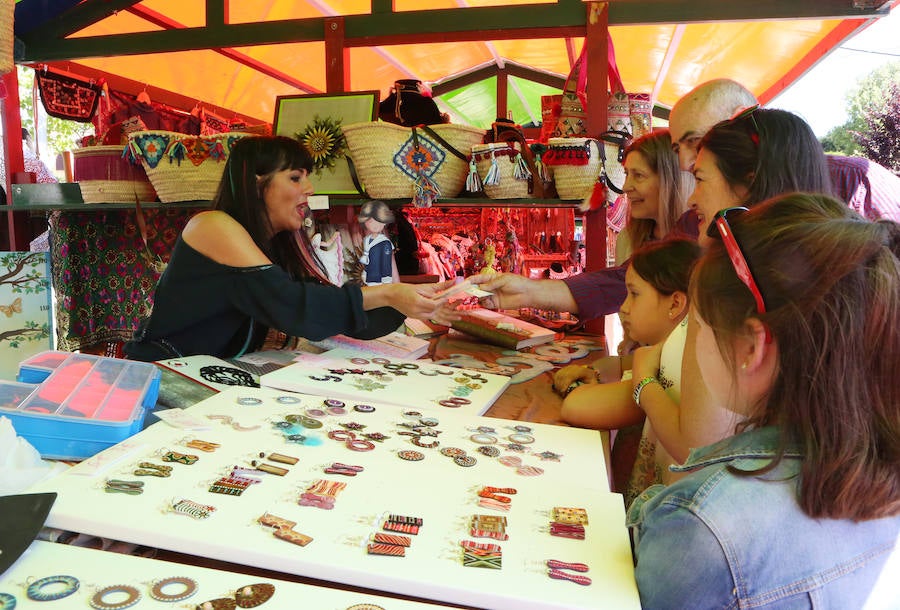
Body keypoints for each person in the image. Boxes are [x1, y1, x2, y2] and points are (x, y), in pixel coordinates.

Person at [628, 192, 900, 608]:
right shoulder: (879, 480)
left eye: (697, 324)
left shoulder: (700, 522)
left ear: (752, 347)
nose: (692, 340)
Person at [124, 136, 453, 361]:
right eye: (295, 178)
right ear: (256, 182)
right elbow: (297, 307)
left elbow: (327, 311)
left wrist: (413, 305)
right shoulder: (213, 226)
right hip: (164, 375)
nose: (309, 189)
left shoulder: (270, 246)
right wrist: (388, 294)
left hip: (210, 376)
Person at [553, 238, 700, 504]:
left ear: (675, 304)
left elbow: (576, 407)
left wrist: (576, 385)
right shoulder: (669, 351)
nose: (623, 307)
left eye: (635, 294)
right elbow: (614, 365)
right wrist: (595, 372)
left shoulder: (664, 366)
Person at [670, 77, 900, 221]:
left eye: (697, 141)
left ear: (741, 117)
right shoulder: (700, 216)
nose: (683, 163)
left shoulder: (857, 179)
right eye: (676, 148)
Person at [614, 130, 695, 265]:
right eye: (627, 174)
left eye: (638, 175)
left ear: (669, 181)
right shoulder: (627, 240)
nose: (626, 187)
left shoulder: (704, 241)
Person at [357, 200, 398, 286]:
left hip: (379, 280)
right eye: (371, 221)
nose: (375, 225)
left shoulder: (385, 243)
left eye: (378, 221)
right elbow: (369, 259)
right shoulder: (367, 240)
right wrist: (365, 272)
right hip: (369, 277)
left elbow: (386, 263)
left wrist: (386, 280)